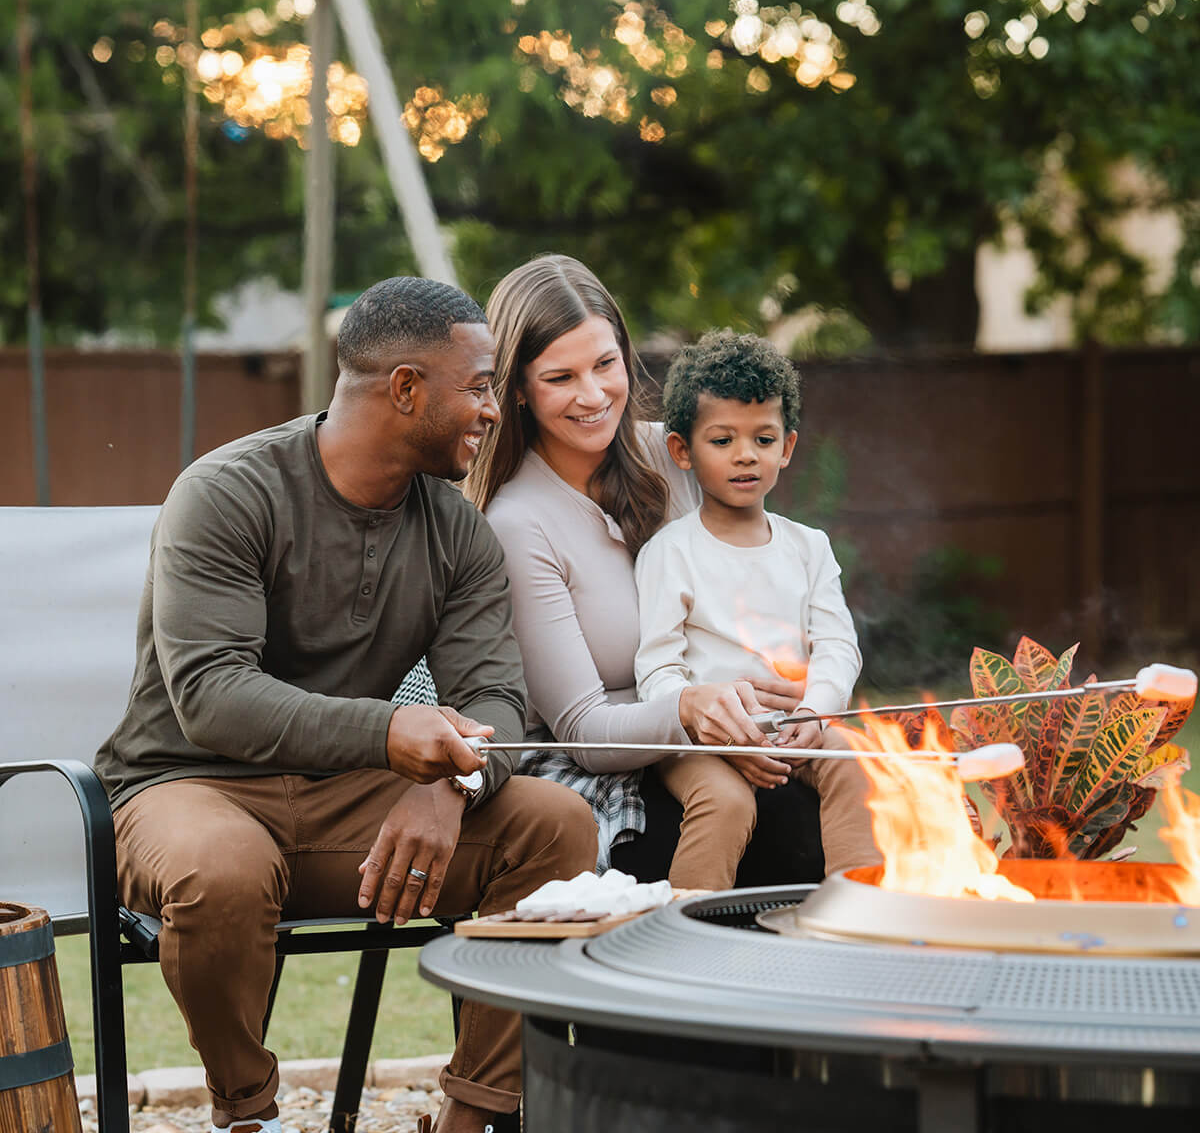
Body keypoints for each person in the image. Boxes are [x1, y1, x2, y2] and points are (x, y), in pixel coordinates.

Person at [94, 276, 598, 1133]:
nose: (493, 410)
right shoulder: (227, 492)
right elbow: (213, 697)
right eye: (479, 387)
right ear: (405, 388)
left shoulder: (459, 533)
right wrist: (391, 731)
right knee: (222, 869)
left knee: (554, 826)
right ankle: (249, 1114)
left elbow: (494, 698)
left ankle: (474, 1115)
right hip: (188, 785)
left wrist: (452, 787)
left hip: (348, 805)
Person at [463, 254, 876, 885]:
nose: (593, 395)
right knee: (776, 821)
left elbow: (763, 578)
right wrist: (694, 713)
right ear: (518, 388)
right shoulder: (519, 524)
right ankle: (685, 939)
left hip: (739, 726)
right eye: (561, 377)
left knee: (854, 784)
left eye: (605, 364)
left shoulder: (679, 452)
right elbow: (583, 732)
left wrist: (801, 696)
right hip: (610, 763)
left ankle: (859, 920)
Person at [634, 331, 870, 889]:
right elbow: (657, 668)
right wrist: (715, 730)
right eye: (722, 440)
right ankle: (684, 926)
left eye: (763, 439)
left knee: (855, 760)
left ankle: (856, 903)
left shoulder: (809, 547)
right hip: (701, 740)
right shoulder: (669, 552)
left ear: (787, 447)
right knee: (726, 802)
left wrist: (816, 712)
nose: (746, 454)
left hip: (794, 726)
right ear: (682, 451)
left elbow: (838, 645)